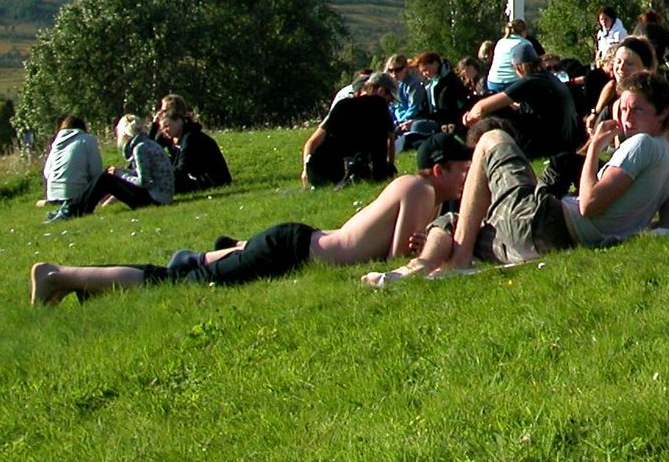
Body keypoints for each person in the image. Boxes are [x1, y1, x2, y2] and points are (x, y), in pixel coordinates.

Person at [30, 133, 477, 306]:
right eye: (463, 170)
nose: (467, 179)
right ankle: (58, 275)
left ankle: (195, 258)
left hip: (298, 244)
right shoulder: (420, 190)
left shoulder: (420, 192)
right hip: (291, 251)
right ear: (438, 169)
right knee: (170, 282)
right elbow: (396, 257)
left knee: (186, 273)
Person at [373, 72, 669, 281]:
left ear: (663, 113)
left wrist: (594, 149)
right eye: (623, 109)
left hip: (544, 220)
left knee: (490, 138)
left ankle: (456, 261)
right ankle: (415, 270)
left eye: (636, 110)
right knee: (454, 222)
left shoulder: (640, 144)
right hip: (545, 241)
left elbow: (589, 205)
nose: (626, 119)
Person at [461, 39, 582, 161]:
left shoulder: (529, 82)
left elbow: (482, 107)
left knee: (496, 110)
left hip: (548, 145)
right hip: (566, 141)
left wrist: (469, 118)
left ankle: (480, 154)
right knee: (505, 106)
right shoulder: (550, 78)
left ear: (518, 67)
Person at [302, 73, 397, 186]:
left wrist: (307, 168)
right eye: (389, 100)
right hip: (347, 170)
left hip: (321, 169)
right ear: (381, 91)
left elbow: (313, 141)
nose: (389, 104)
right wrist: (388, 168)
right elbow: (389, 142)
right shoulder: (380, 108)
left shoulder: (341, 106)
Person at [82, 114, 175, 212]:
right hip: (163, 196)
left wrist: (120, 174)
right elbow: (144, 174)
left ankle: (83, 209)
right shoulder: (150, 143)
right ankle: (83, 206)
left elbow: (143, 182)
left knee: (107, 179)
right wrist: (124, 171)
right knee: (109, 174)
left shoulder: (139, 149)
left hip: (155, 199)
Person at [153, 95, 232, 194]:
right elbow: (150, 149)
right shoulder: (173, 135)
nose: (161, 114)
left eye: (165, 111)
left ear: (178, 119)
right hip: (194, 176)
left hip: (209, 180)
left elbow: (182, 169)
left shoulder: (191, 138)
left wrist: (162, 180)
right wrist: (154, 127)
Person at [40, 115, 102, 221]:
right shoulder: (87, 139)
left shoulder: (56, 142)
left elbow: (47, 172)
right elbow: (96, 171)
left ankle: (60, 206)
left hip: (53, 194)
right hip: (75, 192)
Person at [485, 19, 536, 91]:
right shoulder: (524, 44)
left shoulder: (500, 42)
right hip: (512, 83)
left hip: (493, 82)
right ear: (524, 31)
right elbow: (531, 66)